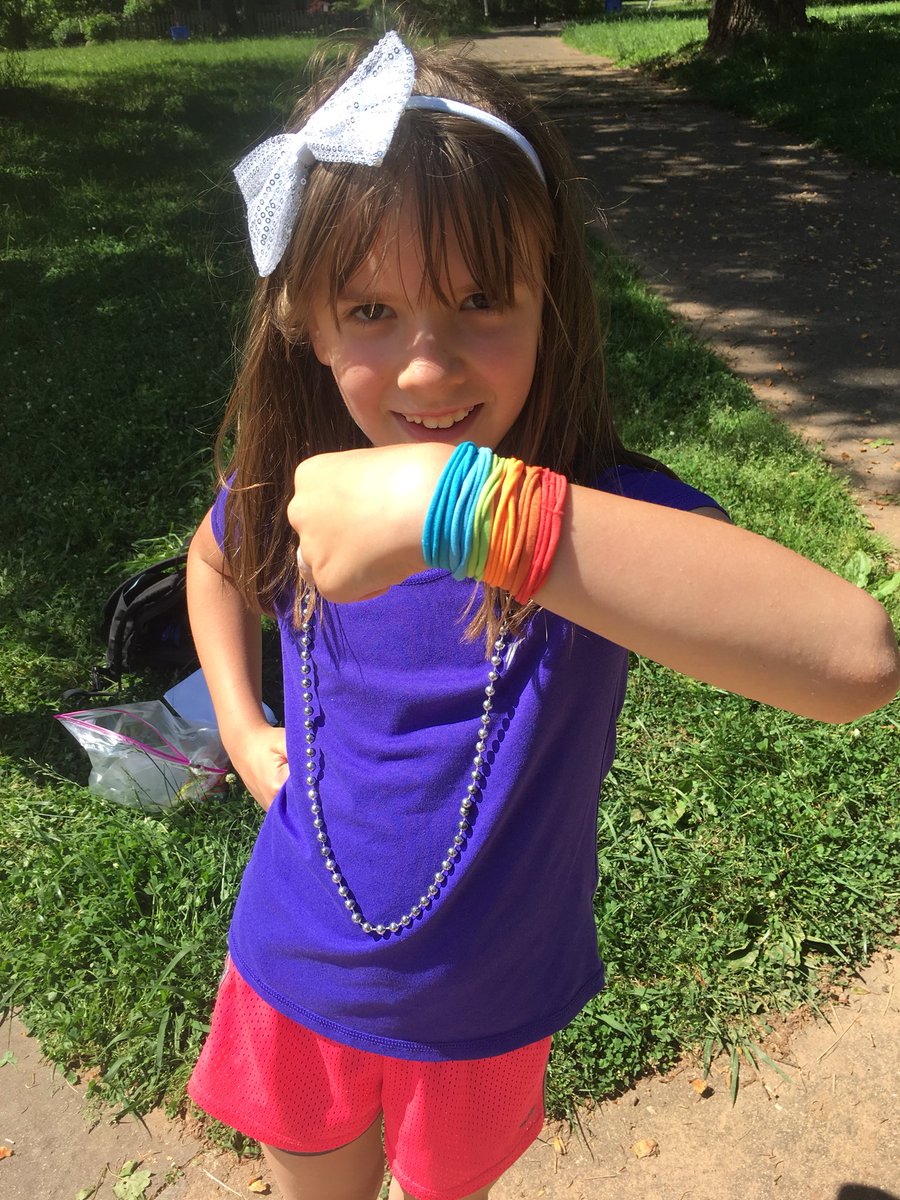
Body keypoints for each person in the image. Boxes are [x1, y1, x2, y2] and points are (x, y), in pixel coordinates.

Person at [185, 31, 899, 1200]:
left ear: (548, 301)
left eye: (480, 299)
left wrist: (465, 506)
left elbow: (858, 659)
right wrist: (237, 721)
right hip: (292, 967)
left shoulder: (595, 521)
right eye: (370, 310)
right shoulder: (301, 486)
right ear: (306, 325)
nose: (430, 366)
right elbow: (212, 570)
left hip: (488, 1007)